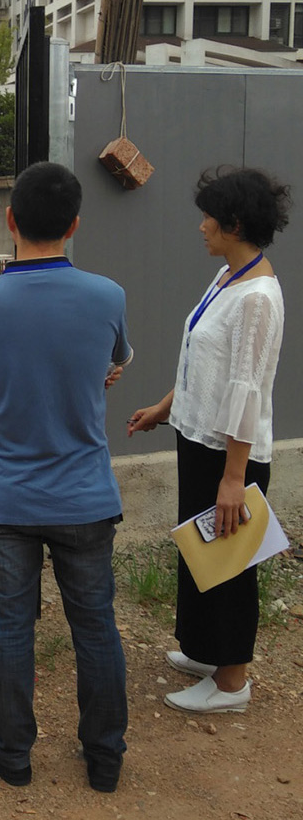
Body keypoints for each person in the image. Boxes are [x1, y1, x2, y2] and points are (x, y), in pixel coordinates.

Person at [0, 162, 133, 793]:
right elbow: (115, 359)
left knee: (10, 626)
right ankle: (105, 756)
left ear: (11, 220)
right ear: (75, 224)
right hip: (86, 495)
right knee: (96, 626)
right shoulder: (108, 296)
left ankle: (12, 750)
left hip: (8, 498)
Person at [128, 167, 290, 714]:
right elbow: (206, 362)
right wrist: (164, 408)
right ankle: (206, 654)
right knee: (203, 555)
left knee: (231, 565)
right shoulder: (227, 277)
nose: (201, 227)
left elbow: (247, 389)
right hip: (200, 440)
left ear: (234, 224)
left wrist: (233, 479)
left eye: (208, 218)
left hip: (230, 454)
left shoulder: (257, 298)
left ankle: (232, 682)